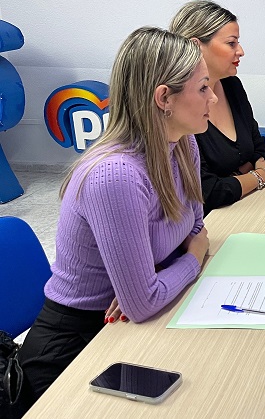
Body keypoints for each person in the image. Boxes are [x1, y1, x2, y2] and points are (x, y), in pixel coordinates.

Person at [13, 27, 213, 417]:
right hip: (75, 346)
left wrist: (156, 276)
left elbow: (195, 227)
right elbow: (146, 299)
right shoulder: (115, 175)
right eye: (203, 88)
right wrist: (190, 260)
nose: (214, 97)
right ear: (164, 99)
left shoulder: (184, 143)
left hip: (123, 325)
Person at [170, 0, 265, 216]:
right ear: (196, 46)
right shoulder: (178, 106)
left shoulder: (232, 84)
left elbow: (257, 148)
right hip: (208, 225)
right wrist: (258, 176)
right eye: (231, 43)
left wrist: (236, 179)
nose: (241, 51)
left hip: (248, 207)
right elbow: (208, 192)